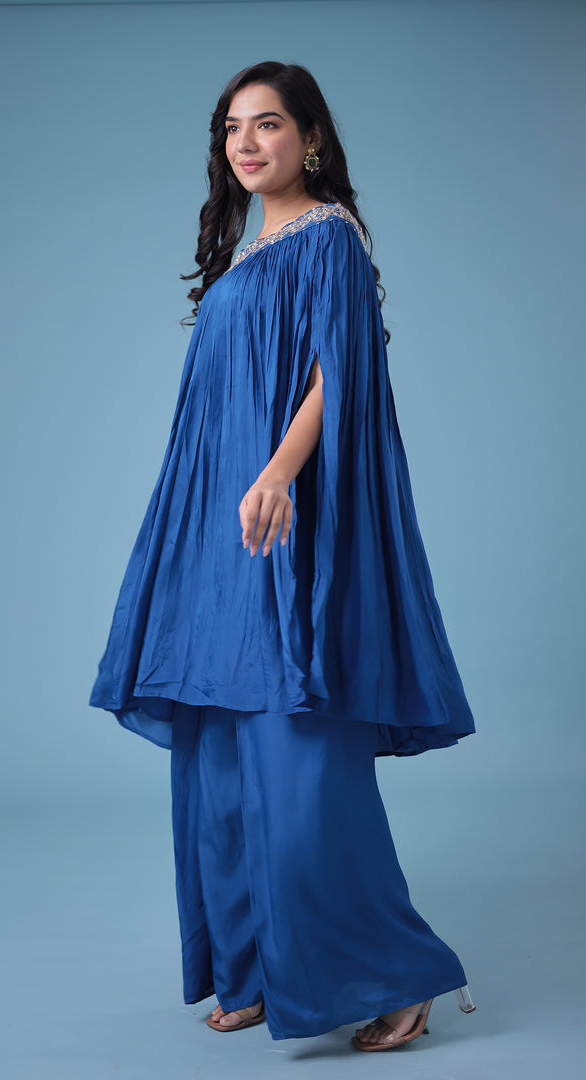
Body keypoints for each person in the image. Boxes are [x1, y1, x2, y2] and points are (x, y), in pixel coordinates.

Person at [89, 61, 477, 1050]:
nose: (247, 142)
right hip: (211, 533)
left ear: (312, 137)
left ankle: (400, 977)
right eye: (232, 128)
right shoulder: (241, 258)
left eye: (267, 124)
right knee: (216, 760)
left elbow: (338, 375)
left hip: (281, 525)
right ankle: (256, 966)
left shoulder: (330, 237)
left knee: (297, 757)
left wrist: (278, 473)